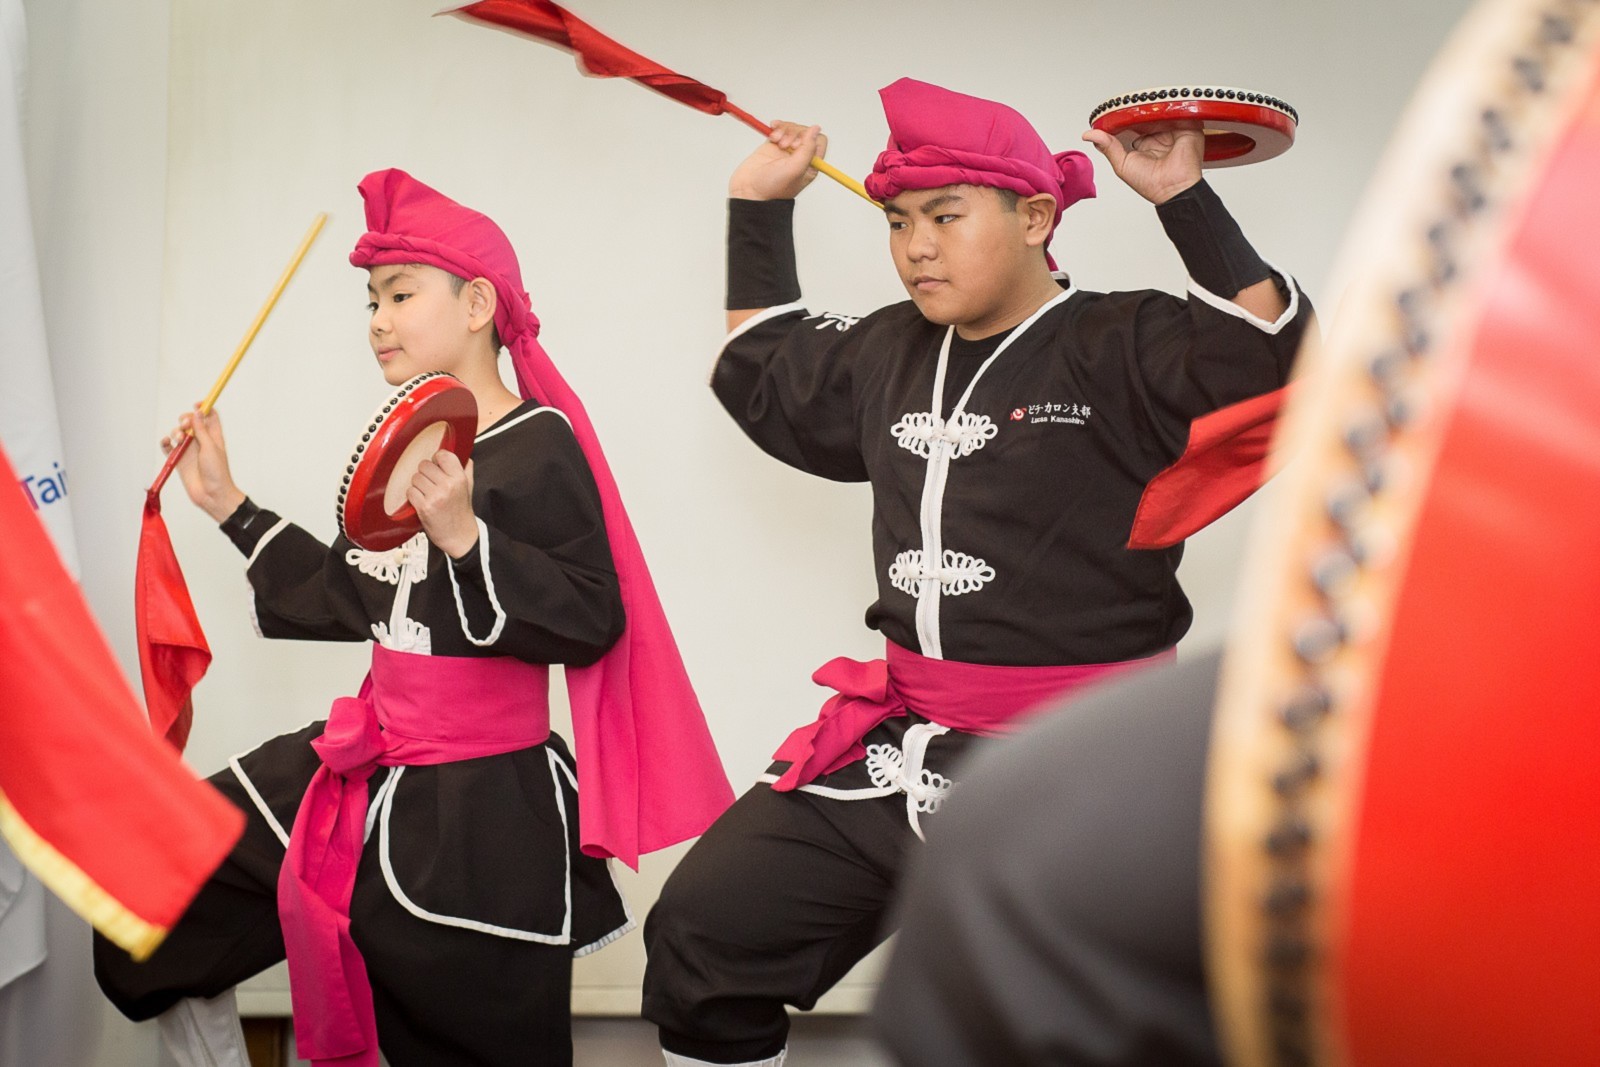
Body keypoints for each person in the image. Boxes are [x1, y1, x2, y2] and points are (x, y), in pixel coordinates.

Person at [639, 77, 1314, 1067]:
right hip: (904, 742)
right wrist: (758, 205)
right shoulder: (887, 347)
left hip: (1078, 762)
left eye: (945, 216)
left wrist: (1184, 196)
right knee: (706, 933)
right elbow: (766, 369)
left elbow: (1268, 361)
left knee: (1064, 1025)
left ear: (1035, 218)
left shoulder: (1124, 341)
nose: (916, 246)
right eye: (898, 221)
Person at [94, 168, 732, 1067]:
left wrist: (468, 537)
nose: (378, 321)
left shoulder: (538, 442)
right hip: (369, 758)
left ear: (477, 305)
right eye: (371, 301)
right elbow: (352, 592)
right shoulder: (418, 445)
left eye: (399, 295)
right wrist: (227, 502)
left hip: (480, 813)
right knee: (154, 886)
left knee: (472, 1043)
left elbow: (592, 617)